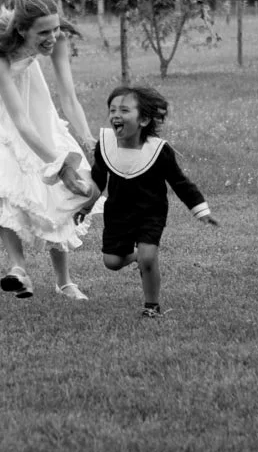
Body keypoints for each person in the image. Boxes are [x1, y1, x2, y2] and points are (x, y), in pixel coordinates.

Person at [0, 0, 97, 301]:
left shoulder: (57, 38)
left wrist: (90, 142)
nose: (52, 37)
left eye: (55, 28)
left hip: (24, 89)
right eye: (43, 32)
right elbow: (18, 120)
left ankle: (64, 281)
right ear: (22, 30)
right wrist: (60, 166)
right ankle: (18, 269)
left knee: (52, 160)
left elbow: (68, 97)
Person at [73, 84, 218, 318]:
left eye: (124, 110)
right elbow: (98, 179)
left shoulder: (159, 151)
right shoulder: (105, 146)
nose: (116, 116)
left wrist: (200, 210)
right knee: (111, 261)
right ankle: (139, 257)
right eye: (112, 110)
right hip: (117, 213)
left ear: (143, 120)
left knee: (149, 256)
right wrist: (87, 206)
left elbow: (180, 183)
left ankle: (152, 306)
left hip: (151, 212)